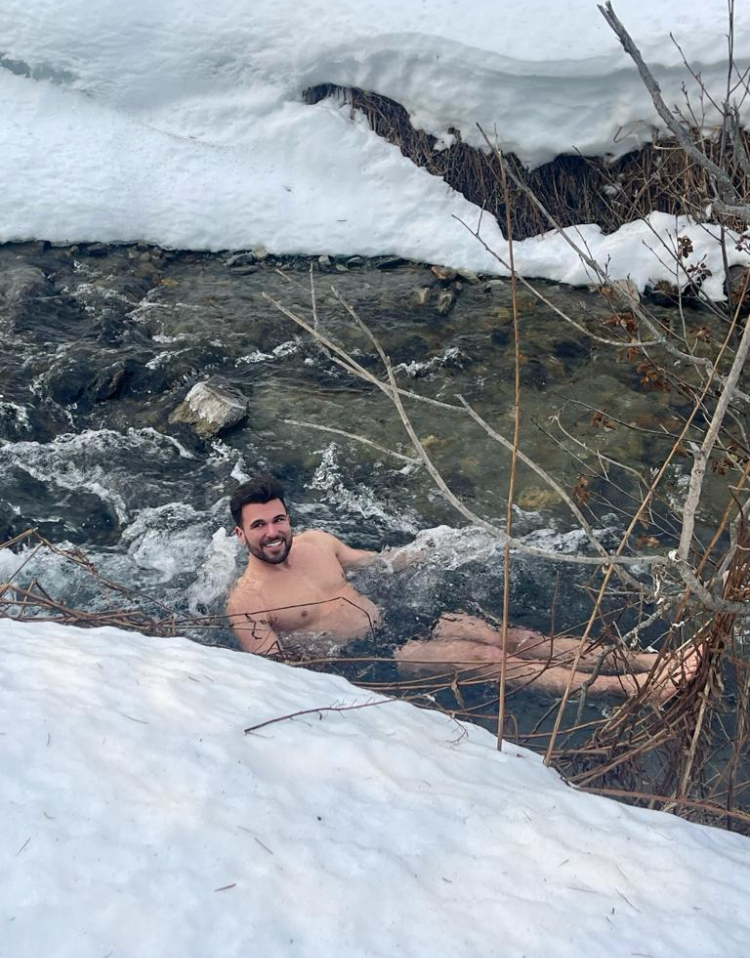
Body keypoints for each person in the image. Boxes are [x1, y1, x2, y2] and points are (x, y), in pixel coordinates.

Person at [225, 474, 699, 702]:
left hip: (395, 622)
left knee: (517, 640)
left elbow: (378, 567)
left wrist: (435, 546)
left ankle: (654, 662)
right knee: (488, 659)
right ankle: (637, 689)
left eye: (279, 519)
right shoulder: (247, 603)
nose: (273, 532)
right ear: (240, 534)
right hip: (370, 662)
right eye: (260, 525)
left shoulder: (316, 543)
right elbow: (278, 679)